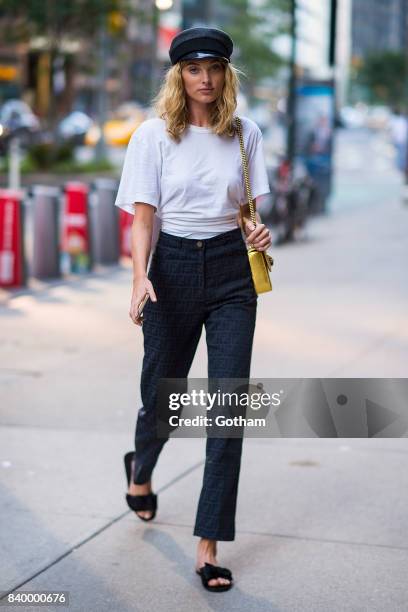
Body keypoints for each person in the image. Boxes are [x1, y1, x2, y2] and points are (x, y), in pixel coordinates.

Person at [114, 26, 272, 593]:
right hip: (172, 270)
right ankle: (141, 468)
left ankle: (209, 545)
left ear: (227, 74)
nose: (205, 79)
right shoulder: (154, 135)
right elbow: (143, 215)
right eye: (193, 69)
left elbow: (246, 208)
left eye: (214, 69)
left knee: (228, 407)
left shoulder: (245, 133)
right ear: (178, 76)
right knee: (166, 397)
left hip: (232, 274)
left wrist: (257, 232)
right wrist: (139, 277)